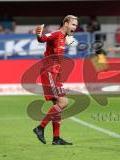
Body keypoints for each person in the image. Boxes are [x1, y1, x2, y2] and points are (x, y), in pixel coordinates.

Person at [33, 15, 78, 145]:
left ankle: (56, 138)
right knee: (63, 102)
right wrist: (38, 33)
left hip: (56, 74)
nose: (75, 27)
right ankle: (40, 127)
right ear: (66, 23)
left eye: (76, 25)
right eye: (73, 24)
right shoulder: (56, 34)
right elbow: (42, 39)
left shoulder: (64, 37)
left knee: (58, 106)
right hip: (49, 71)